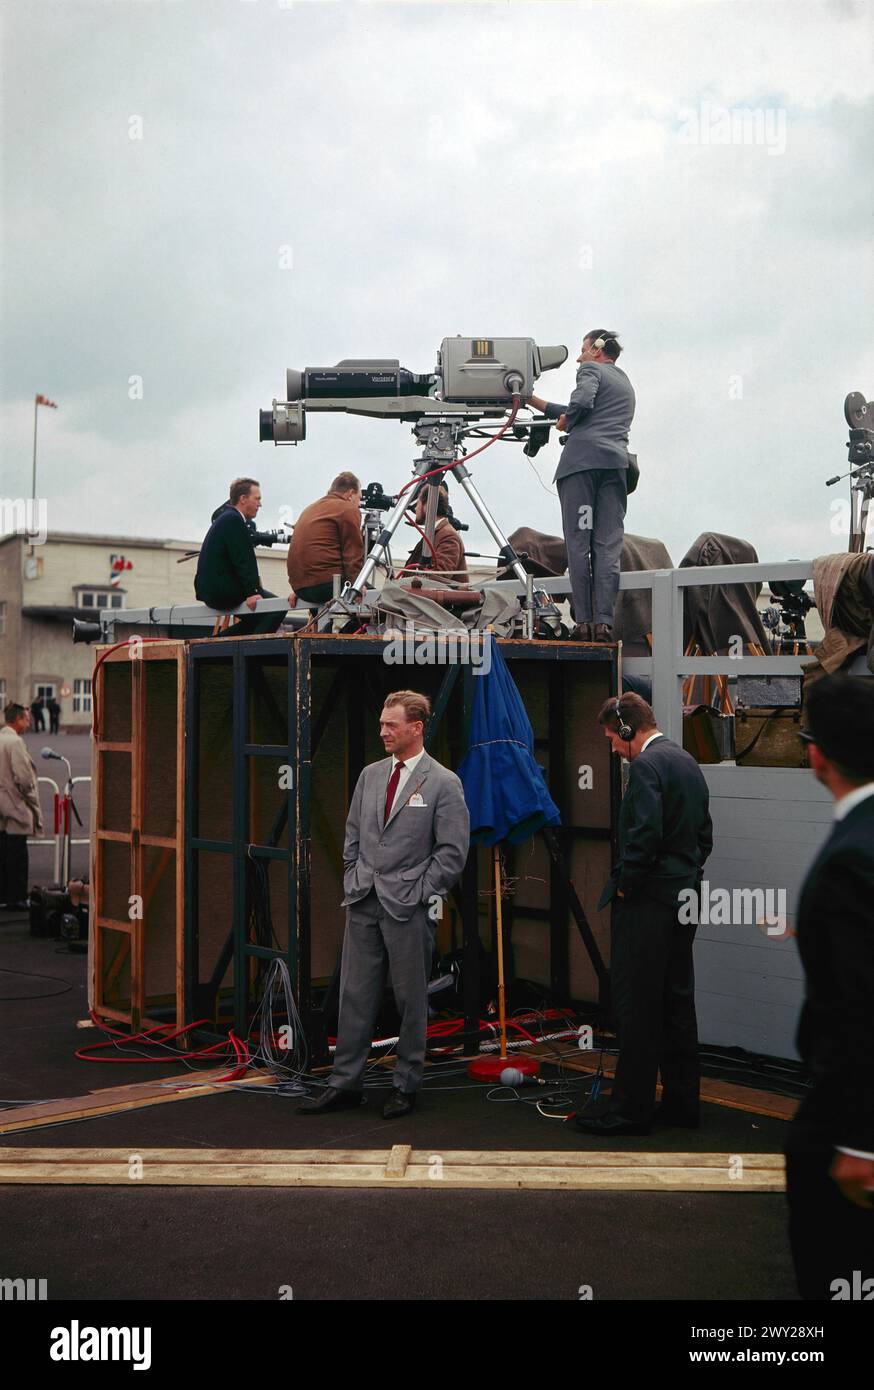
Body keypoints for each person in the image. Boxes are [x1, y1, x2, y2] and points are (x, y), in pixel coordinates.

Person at [298, 690, 470, 1119]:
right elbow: (353, 835)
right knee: (354, 995)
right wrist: (355, 876)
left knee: (412, 999)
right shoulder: (371, 775)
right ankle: (345, 1083)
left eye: (391, 725)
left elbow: (452, 853)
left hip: (408, 907)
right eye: (381, 724)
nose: (383, 732)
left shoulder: (444, 782)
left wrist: (418, 892)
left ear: (416, 728)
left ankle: (406, 1085)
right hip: (363, 901)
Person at [575, 692, 712, 1137]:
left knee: (636, 1007)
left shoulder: (646, 767)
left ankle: (630, 1110)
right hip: (684, 897)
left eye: (614, 739)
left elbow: (643, 837)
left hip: (648, 903)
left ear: (630, 730)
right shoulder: (687, 762)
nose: (613, 748)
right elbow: (704, 836)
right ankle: (681, 1104)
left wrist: (628, 885)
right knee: (677, 1001)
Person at [785, 674, 874, 1300]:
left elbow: (861, 1005)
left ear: (818, 753)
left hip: (850, 1113)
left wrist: (859, 1141)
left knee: (836, 1267)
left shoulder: (852, 856)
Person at [528, 330, 635, 642]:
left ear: (597, 350)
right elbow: (580, 408)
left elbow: (581, 404)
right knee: (607, 547)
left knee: (578, 545)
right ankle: (604, 623)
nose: (578, 357)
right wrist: (532, 401)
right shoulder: (624, 383)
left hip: (582, 466)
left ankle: (584, 622)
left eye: (583, 350)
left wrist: (568, 421)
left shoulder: (589, 370)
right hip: (614, 467)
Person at [194, 478, 285, 634]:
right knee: (277, 608)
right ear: (243, 499)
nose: (260, 504)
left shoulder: (225, 518)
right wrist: (253, 592)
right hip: (223, 590)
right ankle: (255, 653)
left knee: (259, 619)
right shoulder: (234, 520)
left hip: (211, 589)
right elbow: (243, 559)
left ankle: (219, 645)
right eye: (257, 499)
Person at [286, 472, 365, 606]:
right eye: (359, 498)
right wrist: (357, 585)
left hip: (300, 588)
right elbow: (352, 554)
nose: (359, 503)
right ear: (351, 494)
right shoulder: (348, 508)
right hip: (327, 584)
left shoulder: (309, 509)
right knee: (379, 603)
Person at [0, 703, 43, 910]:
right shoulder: (15, 742)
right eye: (26, 718)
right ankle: (17, 897)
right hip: (15, 804)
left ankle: (4, 894)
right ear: (17, 720)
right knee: (17, 855)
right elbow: (24, 778)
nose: (29, 722)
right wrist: (31, 797)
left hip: (1, 806)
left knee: (3, 852)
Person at [400, 482, 469, 583]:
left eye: (418, 503)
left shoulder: (448, 536)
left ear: (428, 505)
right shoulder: (435, 534)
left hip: (432, 599)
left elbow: (439, 578)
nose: (415, 508)